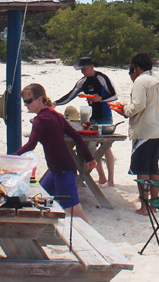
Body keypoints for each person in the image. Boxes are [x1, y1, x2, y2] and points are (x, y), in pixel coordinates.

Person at [15, 83, 96, 223]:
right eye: (24, 102)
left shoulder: (39, 120)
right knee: (40, 200)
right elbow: (76, 137)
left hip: (63, 171)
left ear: (39, 99)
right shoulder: (56, 115)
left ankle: (95, 242)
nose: (26, 105)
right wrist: (89, 158)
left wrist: (13, 157)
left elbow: (31, 145)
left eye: (29, 101)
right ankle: (41, 235)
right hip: (56, 170)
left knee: (76, 213)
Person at [55, 57, 118, 186]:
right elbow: (70, 95)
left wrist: (100, 99)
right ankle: (102, 177)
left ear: (91, 66)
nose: (83, 72)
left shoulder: (101, 78)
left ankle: (111, 180)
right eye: (81, 70)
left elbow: (114, 95)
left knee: (106, 148)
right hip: (92, 117)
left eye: (85, 69)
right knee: (93, 148)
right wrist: (56, 103)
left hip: (105, 116)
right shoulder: (82, 82)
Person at [118, 52, 159, 215]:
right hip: (157, 130)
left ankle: (144, 206)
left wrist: (124, 110)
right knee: (153, 168)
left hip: (144, 130)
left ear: (136, 68)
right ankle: (153, 204)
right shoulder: (157, 80)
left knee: (142, 170)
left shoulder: (141, 81)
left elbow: (138, 105)